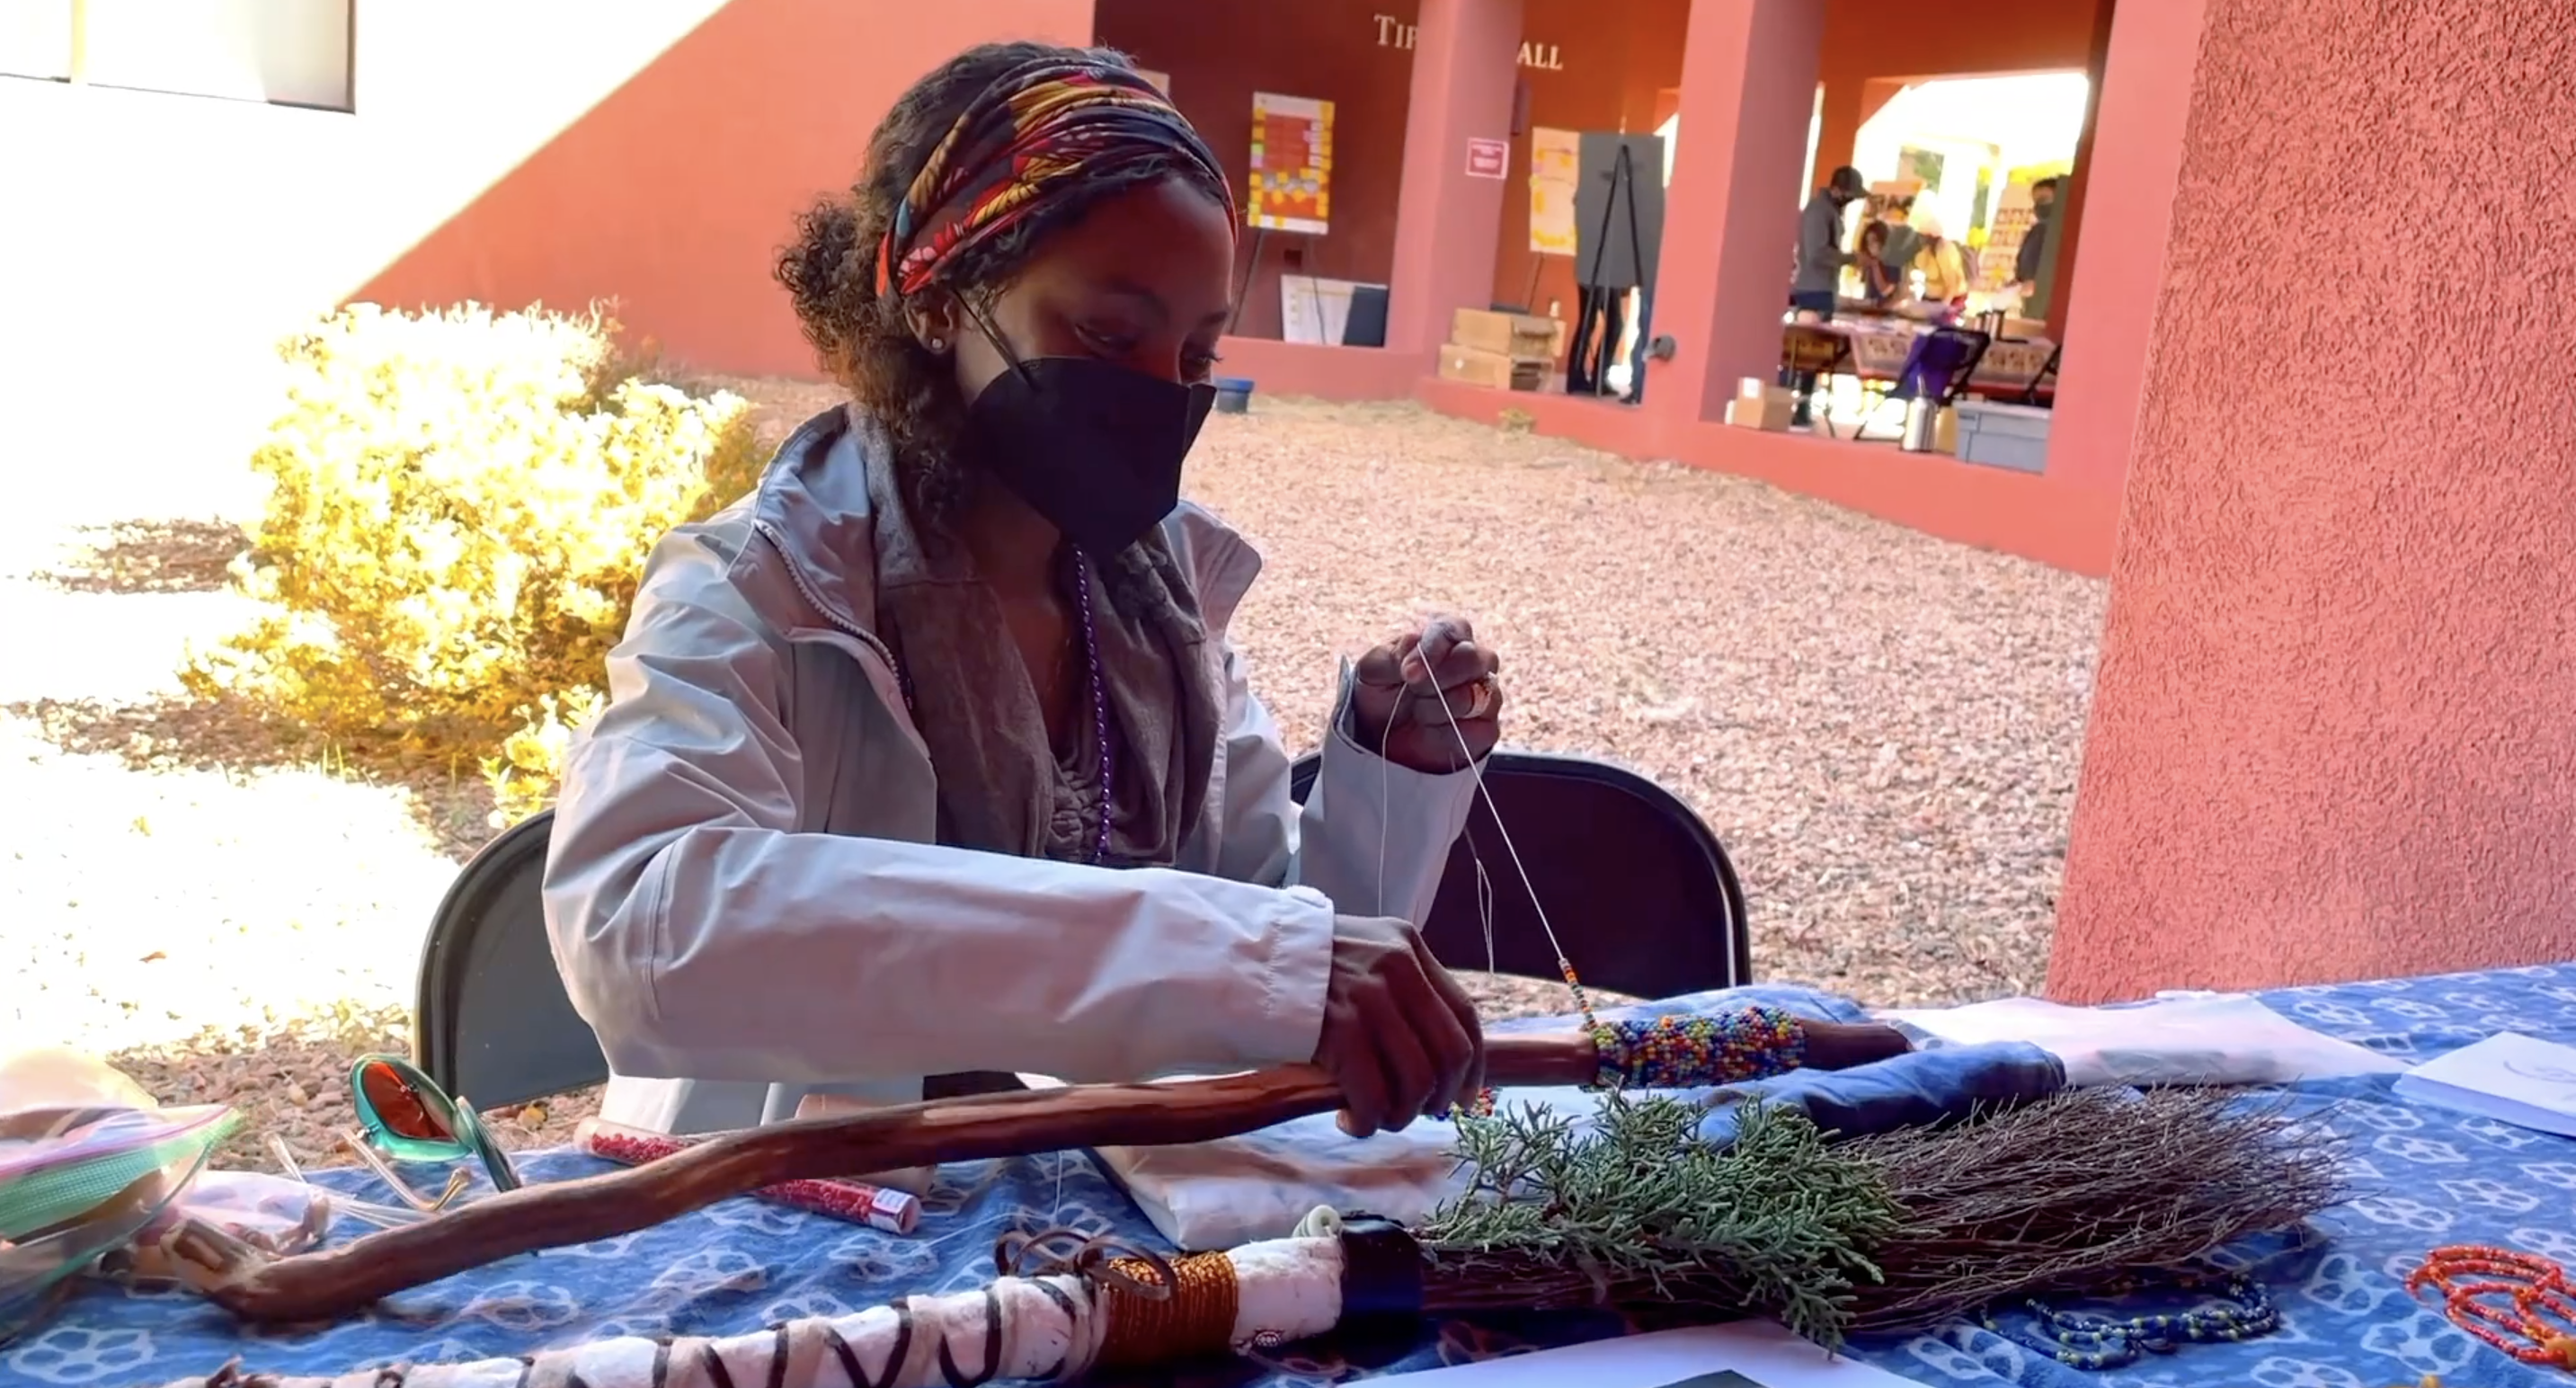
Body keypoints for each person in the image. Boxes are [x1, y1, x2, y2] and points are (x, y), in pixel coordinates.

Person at [542, 42, 1501, 1143]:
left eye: (1195, 356)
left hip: (1126, 1228)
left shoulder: (1158, 606)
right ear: (946, 299)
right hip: (815, 1226)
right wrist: (1248, 962)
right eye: (1107, 333)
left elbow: (1282, 936)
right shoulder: (762, 588)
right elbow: (641, 930)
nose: (1156, 395)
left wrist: (1390, 772)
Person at [1784, 165, 1868, 425]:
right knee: (1800, 354)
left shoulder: (1831, 212)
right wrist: (1851, 259)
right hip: (1812, 289)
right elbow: (1818, 253)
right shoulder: (1818, 212)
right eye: (1849, 195)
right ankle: (1788, 404)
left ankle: (1803, 407)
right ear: (1837, 190)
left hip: (1823, 289)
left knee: (1813, 358)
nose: (1851, 200)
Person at [1910, 209, 1972, 308]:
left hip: (1951, 300)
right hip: (1930, 298)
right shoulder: (1921, 250)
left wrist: (1942, 308)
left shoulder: (1944, 249)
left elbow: (1952, 285)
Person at [2014, 176, 2059, 298]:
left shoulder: (2063, 233)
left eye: (2044, 200)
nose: (2039, 206)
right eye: (2036, 202)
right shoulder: (2036, 232)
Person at [1857, 221, 1903, 307]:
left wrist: (1875, 266)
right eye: (1868, 243)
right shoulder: (1871, 261)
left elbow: (1885, 291)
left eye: (1874, 241)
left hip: (1888, 311)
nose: (1870, 246)